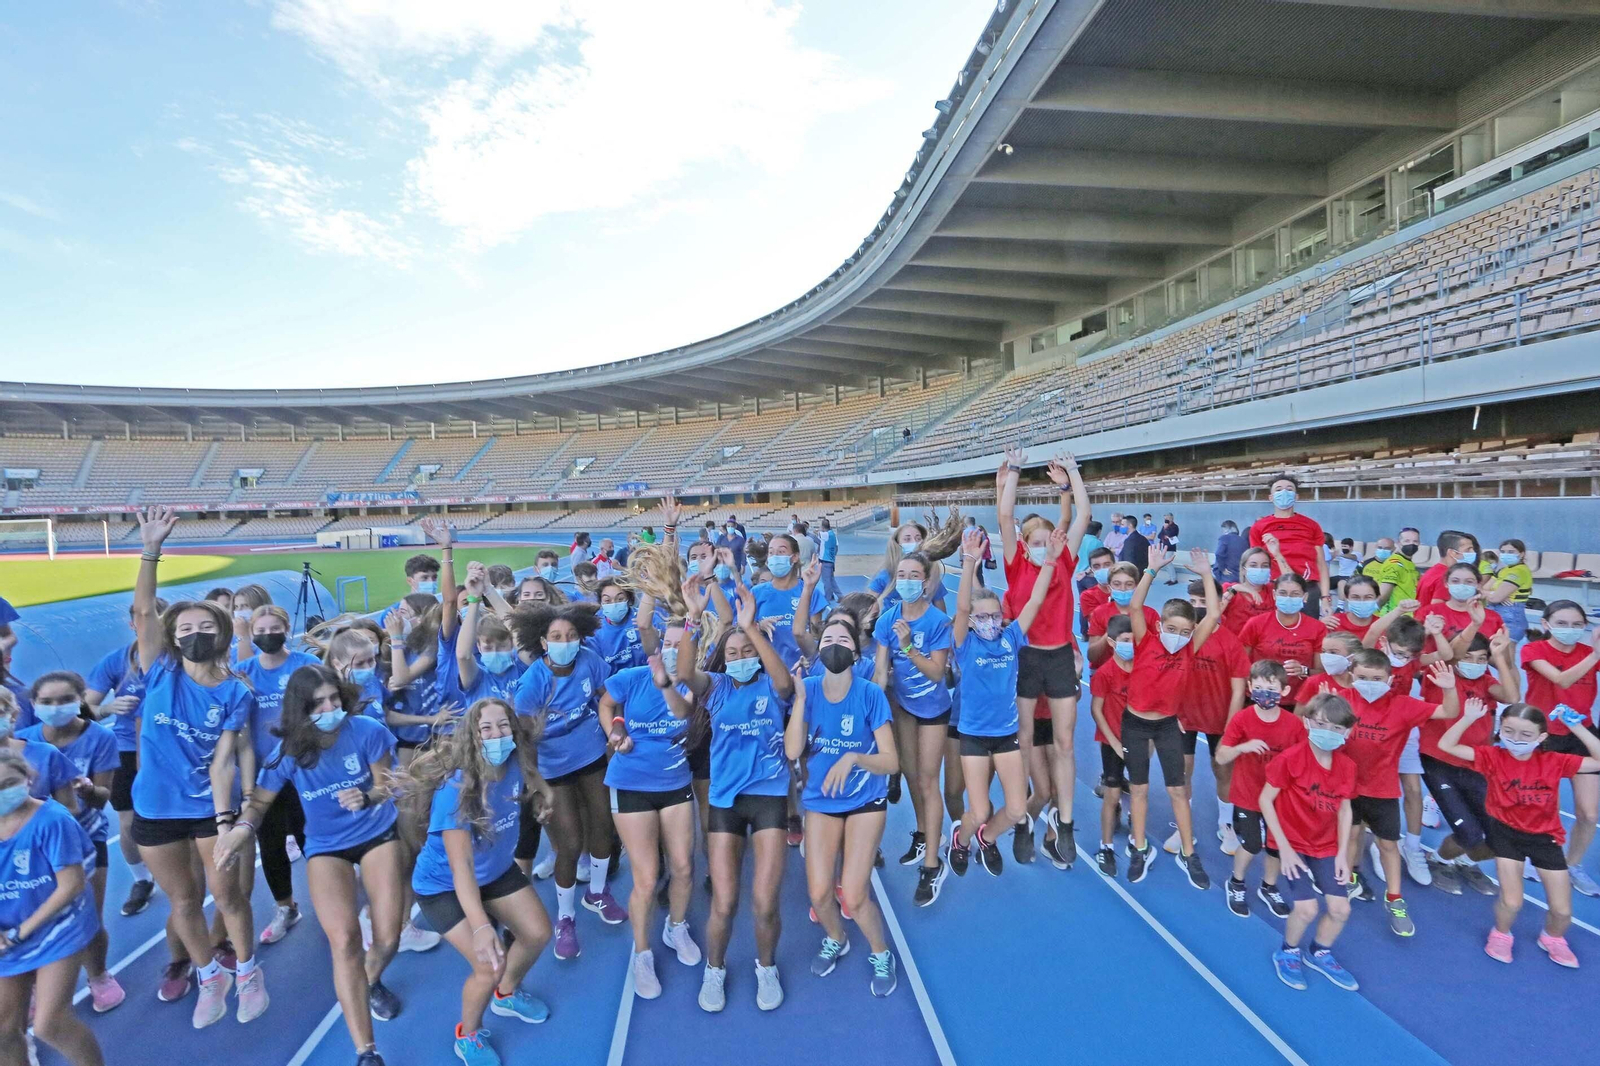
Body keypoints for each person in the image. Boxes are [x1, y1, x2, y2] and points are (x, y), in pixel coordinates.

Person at [215, 664, 409, 1066]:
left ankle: (370, 980)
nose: (330, 707)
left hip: (376, 834)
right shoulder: (289, 751)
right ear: (300, 709)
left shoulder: (367, 732)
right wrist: (239, 829)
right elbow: (261, 802)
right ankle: (366, 1052)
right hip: (325, 847)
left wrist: (367, 798)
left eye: (334, 699)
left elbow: (388, 782)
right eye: (319, 702)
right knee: (344, 942)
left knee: (389, 936)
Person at [126, 506, 266, 1028]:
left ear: (223, 633)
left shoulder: (235, 691)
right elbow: (143, 613)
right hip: (155, 809)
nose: (195, 632)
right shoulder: (159, 671)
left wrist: (229, 821)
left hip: (209, 808)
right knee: (183, 899)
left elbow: (225, 760)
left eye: (206, 625)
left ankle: (248, 971)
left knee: (227, 894)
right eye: (184, 627)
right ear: (171, 637)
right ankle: (211, 977)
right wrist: (150, 550)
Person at [405, 698, 555, 1066]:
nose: (496, 734)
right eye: (486, 729)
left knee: (537, 933)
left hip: (495, 869)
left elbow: (536, 780)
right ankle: (467, 1036)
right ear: (472, 736)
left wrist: (544, 799)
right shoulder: (457, 792)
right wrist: (481, 927)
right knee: (488, 965)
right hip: (443, 886)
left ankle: (506, 994)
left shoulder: (516, 762)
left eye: (503, 726)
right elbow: (462, 872)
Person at [676, 585, 795, 1013]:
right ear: (724, 659)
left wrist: (750, 629)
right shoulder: (718, 688)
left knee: (764, 902)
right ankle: (715, 969)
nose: (742, 657)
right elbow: (686, 672)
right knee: (724, 902)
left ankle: (766, 967)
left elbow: (781, 678)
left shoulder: (773, 686)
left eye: (748, 651)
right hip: (725, 800)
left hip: (768, 798)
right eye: (735, 652)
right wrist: (693, 618)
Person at [783, 616, 900, 998]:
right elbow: (792, 751)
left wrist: (854, 758)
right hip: (821, 802)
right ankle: (837, 937)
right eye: (827, 638)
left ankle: (881, 954)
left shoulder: (869, 694)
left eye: (842, 639)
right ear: (819, 650)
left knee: (853, 892)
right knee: (819, 894)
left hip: (866, 800)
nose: (833, 644)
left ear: (854, 650)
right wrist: (800, 702)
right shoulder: (809, 690)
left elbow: (890, 761)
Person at [1439, 700, 1600, 968]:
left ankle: (1553, 938)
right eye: (1509, 731)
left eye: (1526, 735)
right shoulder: (1493, 757)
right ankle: (1501, 933)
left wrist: (1578, 727)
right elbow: (1447, 746)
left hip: (1544, 837)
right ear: (1500, 730)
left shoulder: (1554, 761)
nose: (1516, 740)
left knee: (1562, 911)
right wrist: (1467, 718)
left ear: (1542, 737)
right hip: (1506, 833)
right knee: (1512, 902)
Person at [508, 602, 622, 959]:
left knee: (604, 827)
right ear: (543, 643)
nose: (566, 642)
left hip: (590, 754)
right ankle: (566, 918)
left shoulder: (589, 660)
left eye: (572, 635)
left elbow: (608, 697)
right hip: (552, 767)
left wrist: (615, 727)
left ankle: (598, 893)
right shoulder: (533, 684)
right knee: (570, 845)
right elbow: (523, 741)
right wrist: (536, 785)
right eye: (557, 637)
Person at [996, 448, 1090, 868]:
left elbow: (1081, 516)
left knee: (1066, 743)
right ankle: (1021, 820)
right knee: (1025, 740)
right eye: (1033, 542)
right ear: (1024, 545)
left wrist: (1072, 475)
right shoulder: (1017, 566)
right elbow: (1004, 516)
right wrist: (1013, 471)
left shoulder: (1064, 562)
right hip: (1026, 660)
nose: (1040, 547)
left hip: (1057, 660)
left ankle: (1065, 824)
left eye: (1045, 541)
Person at [948, 527, 1057, 878]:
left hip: (1007, 734)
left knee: (1014, 810)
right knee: (978, 810)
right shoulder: (966, 645)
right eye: (982, 617)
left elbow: (1037, 602)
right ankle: (962, 840)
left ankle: (987, 838)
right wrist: (968, 562)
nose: (990, 622)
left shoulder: (1011, 637)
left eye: (995, 615)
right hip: (975, 736)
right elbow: (963, 606)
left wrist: (1051, 562)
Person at [600, 640, 699, 1000]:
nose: (674, 649)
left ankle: (676, 926)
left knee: (684, 867)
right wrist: (615, 730)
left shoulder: (690, 681)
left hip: (674, 783)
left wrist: (666, 682)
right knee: (645, 878)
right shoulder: (631, 677)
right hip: (630, 784)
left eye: (680, 644)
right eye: (668, 643)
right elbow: (608, 703)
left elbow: (683, 713)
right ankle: (642, 954)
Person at [21, 673, 122, 1011]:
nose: (55, 708)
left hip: (85, 838)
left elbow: (104, 795)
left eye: (63, 700)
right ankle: (33, 987)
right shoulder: (23, 743)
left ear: (81, 698)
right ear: (33, 706)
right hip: (32, 848)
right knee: (33, 919)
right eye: (46, 702)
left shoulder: (100, 739)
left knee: (88, 915)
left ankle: (99, 975)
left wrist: (89, 791)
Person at [1341, 653, 1460, 937]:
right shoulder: (1341, 700)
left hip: (1382, 790)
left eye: (1377, 679)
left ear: (1390, 680)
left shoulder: (1404, 706)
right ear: (1352, 678)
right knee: (1350, 837)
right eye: (1362, 678)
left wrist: (1449, 687)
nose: (1369, 684)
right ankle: (1350, 879)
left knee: (1388, 847)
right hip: (1346, 788)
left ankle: (1394, 899)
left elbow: (1449, 712)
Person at [0, 748, 104, 1066]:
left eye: (7, 783)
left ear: (29, 779)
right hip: (8, 933)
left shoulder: (52, 819)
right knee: (3, 1031)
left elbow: (71, 884)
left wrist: (18, 933)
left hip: (58, 926)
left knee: (49, 1023)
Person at [1124, 546, 1221, 888]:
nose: (1178, 636)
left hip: (1167, 724)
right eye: (1172, 628)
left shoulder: (1190, 649)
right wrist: (1150, 570)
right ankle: (1139, 848)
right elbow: (1135, 606)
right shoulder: (1145, 640)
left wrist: (1206, 574)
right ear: (1161, 624)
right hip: (1135, 723)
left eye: (1185, 631)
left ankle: (1188, 851)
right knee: (1138, 789)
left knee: (1178, 791)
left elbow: (1212, 615)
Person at [234, 605, 320, 946]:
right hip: (262, 774)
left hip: (303, 770)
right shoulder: (242, 672)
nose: (268, 634)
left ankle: (328, 901)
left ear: (286, 628)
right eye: (261, 629)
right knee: (270, 845)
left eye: (275, 627)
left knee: (310, 839)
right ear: (252, 634)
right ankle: (286, 907)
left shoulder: (306, 666)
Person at [1261, 693, 1360, 992]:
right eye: (1321, 724)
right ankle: (1288, 951)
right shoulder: (1289, 760)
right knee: (1306, 910)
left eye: (1336, 729)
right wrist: (1285, 850)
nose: (1328, 733)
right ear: (1307, 722)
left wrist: (1343, 855)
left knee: (1341, 909)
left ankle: (1319, 952)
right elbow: (1265, 800)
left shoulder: (1347, 767)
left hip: (1326, 845)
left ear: (1347, 732)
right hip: (1291, 843)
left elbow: (1344, 809)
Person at [872, 549, 955, 904]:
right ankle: (923, 833)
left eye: (912, 576)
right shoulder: (886, 620)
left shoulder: (937, 622)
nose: (905, 581)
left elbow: (938, 673)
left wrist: (907, 647)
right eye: (900, 575)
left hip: (934, 709)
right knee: (908, 775)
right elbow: (878, 672)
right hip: (903, 707)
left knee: (926, 779)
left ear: (925, 581)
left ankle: (933, 865)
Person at [1416, 632, 1519, 894]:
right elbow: (1447, 656)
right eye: (1468, 657)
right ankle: (1439, 859)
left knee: (1499, 837)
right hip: (1438, 760)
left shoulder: (1486, 680)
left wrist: (1499, 657)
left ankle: (1463, 860)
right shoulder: (1438, 674)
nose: (1475, 663)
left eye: (1481, 658)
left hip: (1475, 762)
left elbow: (1511, 696)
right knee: (1470, 834)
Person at [84, 597, 167, 917]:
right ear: (132, 624)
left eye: (156, 619)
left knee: (171, 813)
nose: (148, 626)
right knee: (128, 818)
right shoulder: (115, 662)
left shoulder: (177, 661)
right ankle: (141, 879)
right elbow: (85, 709)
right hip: (126, 748)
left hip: (168, 748)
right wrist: (106, 708)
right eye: (142, 619)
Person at [1519, 601, 1600, 895]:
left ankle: (1573, 864)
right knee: (1539, 804)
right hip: (1544, 736)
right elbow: (1562, 679)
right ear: (1546, 624)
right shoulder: (1534, 651)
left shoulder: (1588, 653)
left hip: (1582, 734)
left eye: (1577, 625)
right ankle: (1532, 855)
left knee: (1589, 813)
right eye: (1562, 623)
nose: (1571, 630)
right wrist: (1596, 655)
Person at [1216, 661, 1304, 919]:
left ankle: (1269, 886)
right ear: (1250, 688)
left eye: (1272, 688)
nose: (1265, 693)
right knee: (1252, 843)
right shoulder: (1242, 719)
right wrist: (1242, 748)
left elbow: (1301, 759)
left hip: (1279, 797)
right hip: (1248, 795)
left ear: (1284, 692)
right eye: (1259, 687)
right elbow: (1221, 757)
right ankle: (1237, 881)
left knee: (1276, 846)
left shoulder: (1293, 725)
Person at [1173, 578, 1249, 856]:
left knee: (1223, 771)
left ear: (1217, 603)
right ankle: (1183, 823)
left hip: (1220, 718)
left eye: (1204, 602)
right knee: (1182, 771)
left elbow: (1238, 688)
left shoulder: (1230, 642)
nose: (1198, 607)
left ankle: (1226, 824)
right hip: (1184, 717)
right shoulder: (1181, 637)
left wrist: (1231, 726)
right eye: (1193, 603)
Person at [1088, 616, 1134, 876]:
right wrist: (1115, 743)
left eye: (1134, 640)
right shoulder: (1105, 673)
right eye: (1126, 641)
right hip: (1111, 743)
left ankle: (1137, 842)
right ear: (1113, 643)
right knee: (1112, 794)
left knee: (1139, 793)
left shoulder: (1142, 669)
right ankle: (1105, 846)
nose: (1132, 645)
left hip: (1137, 741)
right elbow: (1097, 711)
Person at [1248, 475, 1330, 617]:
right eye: (1279, 489)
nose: (1284, 492)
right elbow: (1253, 563)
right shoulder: (1259, 527)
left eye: (1289, 489)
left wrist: (1325, 598)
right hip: (1274, 588)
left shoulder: (1311, 525)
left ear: (1296, 496)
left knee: (1308, 634)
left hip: (1307, 589)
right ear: (1271, 497)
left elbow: (1321, 564)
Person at [1238, 572, 1320, 706]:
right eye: (1283, 593)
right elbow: (1240, 665)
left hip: (1298, 702)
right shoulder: (1256, 623)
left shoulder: (1317, 628)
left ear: (1305, 597)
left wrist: (1304, 670)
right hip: (1258, 698)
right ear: (1274, 595)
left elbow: (1321, 672)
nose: (1288, 598)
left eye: (1295, 594)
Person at [593, 578, 647, 677]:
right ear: (600, 603)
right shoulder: (594, 631)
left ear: (629, 599)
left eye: (620, 599)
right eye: (607, 600)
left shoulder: (643, 618)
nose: (613, 604)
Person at [1482, 539, 1533, 642]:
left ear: (1521, 554)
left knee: (1505, 654)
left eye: (1511, 552)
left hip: (1511, 615)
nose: (1506, 555)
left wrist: (1494, 595)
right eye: (1503, 552)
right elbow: (1483, 589)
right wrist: (1493, 594)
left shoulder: (1519, 571)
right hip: (1494, 611)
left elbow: (1494, 598)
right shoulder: (1503, 570)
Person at [1217, 547, 1275, 635]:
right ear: (1243, 570)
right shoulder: (1229, 588)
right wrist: (1235, 589)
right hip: (1235, 645)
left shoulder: (1272, 590)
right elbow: (1213, 614)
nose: (1259, 569)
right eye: (1253, 565)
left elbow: (1294, 583)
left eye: (1265, 565)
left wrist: (1278, 555)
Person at [1416, 529, 1478, 605]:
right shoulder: (1447, 578)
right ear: (1452, 553)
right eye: (1468, 550)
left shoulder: (1433, 571)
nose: (1473, 553)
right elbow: (1439, 608)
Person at [816, 518, 842, 603]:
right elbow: (836, 547)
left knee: (826, 580)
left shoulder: (826, 535)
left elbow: (816, 534)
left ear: (823, 527)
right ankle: (839, 595)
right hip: (830, 560)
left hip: (825, 560)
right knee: (831, 579)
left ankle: (827, 598)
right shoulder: (833, 534)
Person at [1213, 521, 1246, 585]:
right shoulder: (1243, 541)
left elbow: (1218, 553)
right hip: (1240, 577)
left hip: (1226, 576)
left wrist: (1222, 569)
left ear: (1226, 528)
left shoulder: (1224, 538)